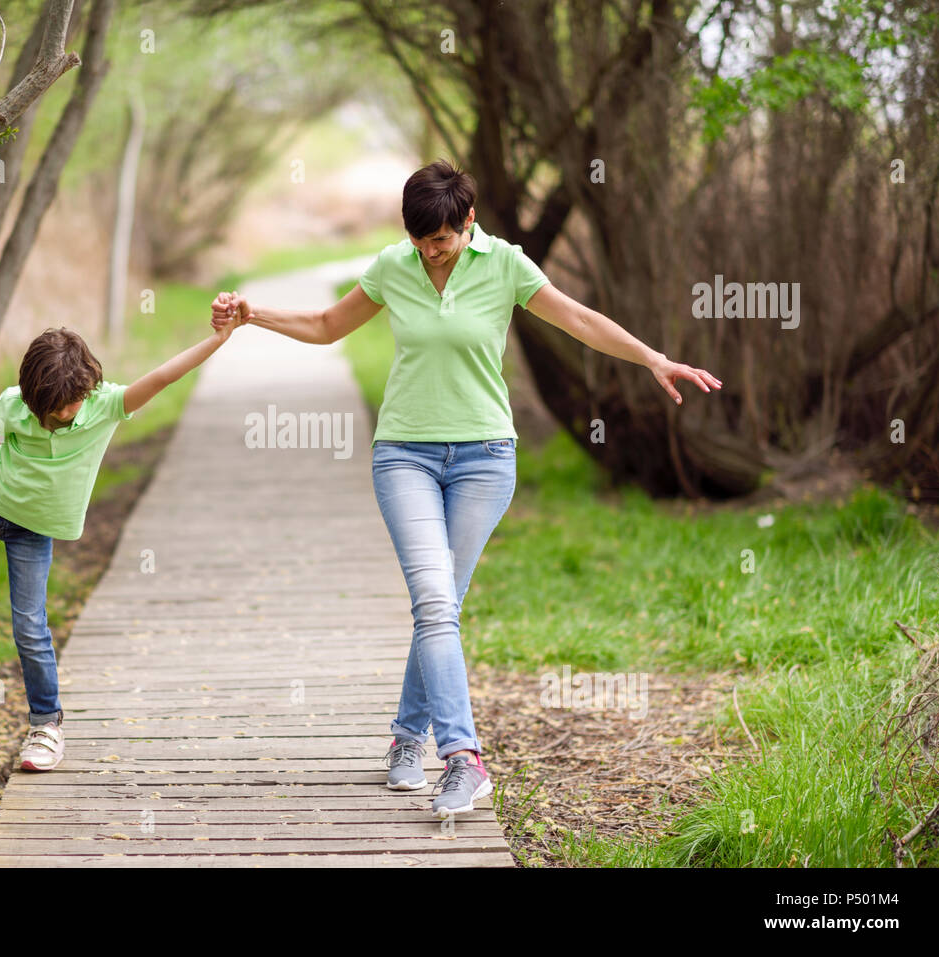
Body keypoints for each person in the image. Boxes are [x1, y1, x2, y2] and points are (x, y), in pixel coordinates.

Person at [212, 159, 721, 817]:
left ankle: (404, 739)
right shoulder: (394, 267)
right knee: (434, 598)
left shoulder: (505, 265)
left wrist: (653, 357)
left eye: (442, 239)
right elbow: (326, 327)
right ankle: (463, 757)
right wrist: (254, 313)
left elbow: (579, 320)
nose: (430, 251)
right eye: (421, 239)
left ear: (468, 223)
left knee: (440, 604)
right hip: (405, 457)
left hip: (484, 458)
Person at [0, 318, 244, 770]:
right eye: (55, 407)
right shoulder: (16, 406)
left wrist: (219, 339)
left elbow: (164, 375)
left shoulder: (106, 406)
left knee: (29, 625)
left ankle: (46, 726)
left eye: (72, 403)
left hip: (34, 528)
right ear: (32, 396)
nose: (65, 413)